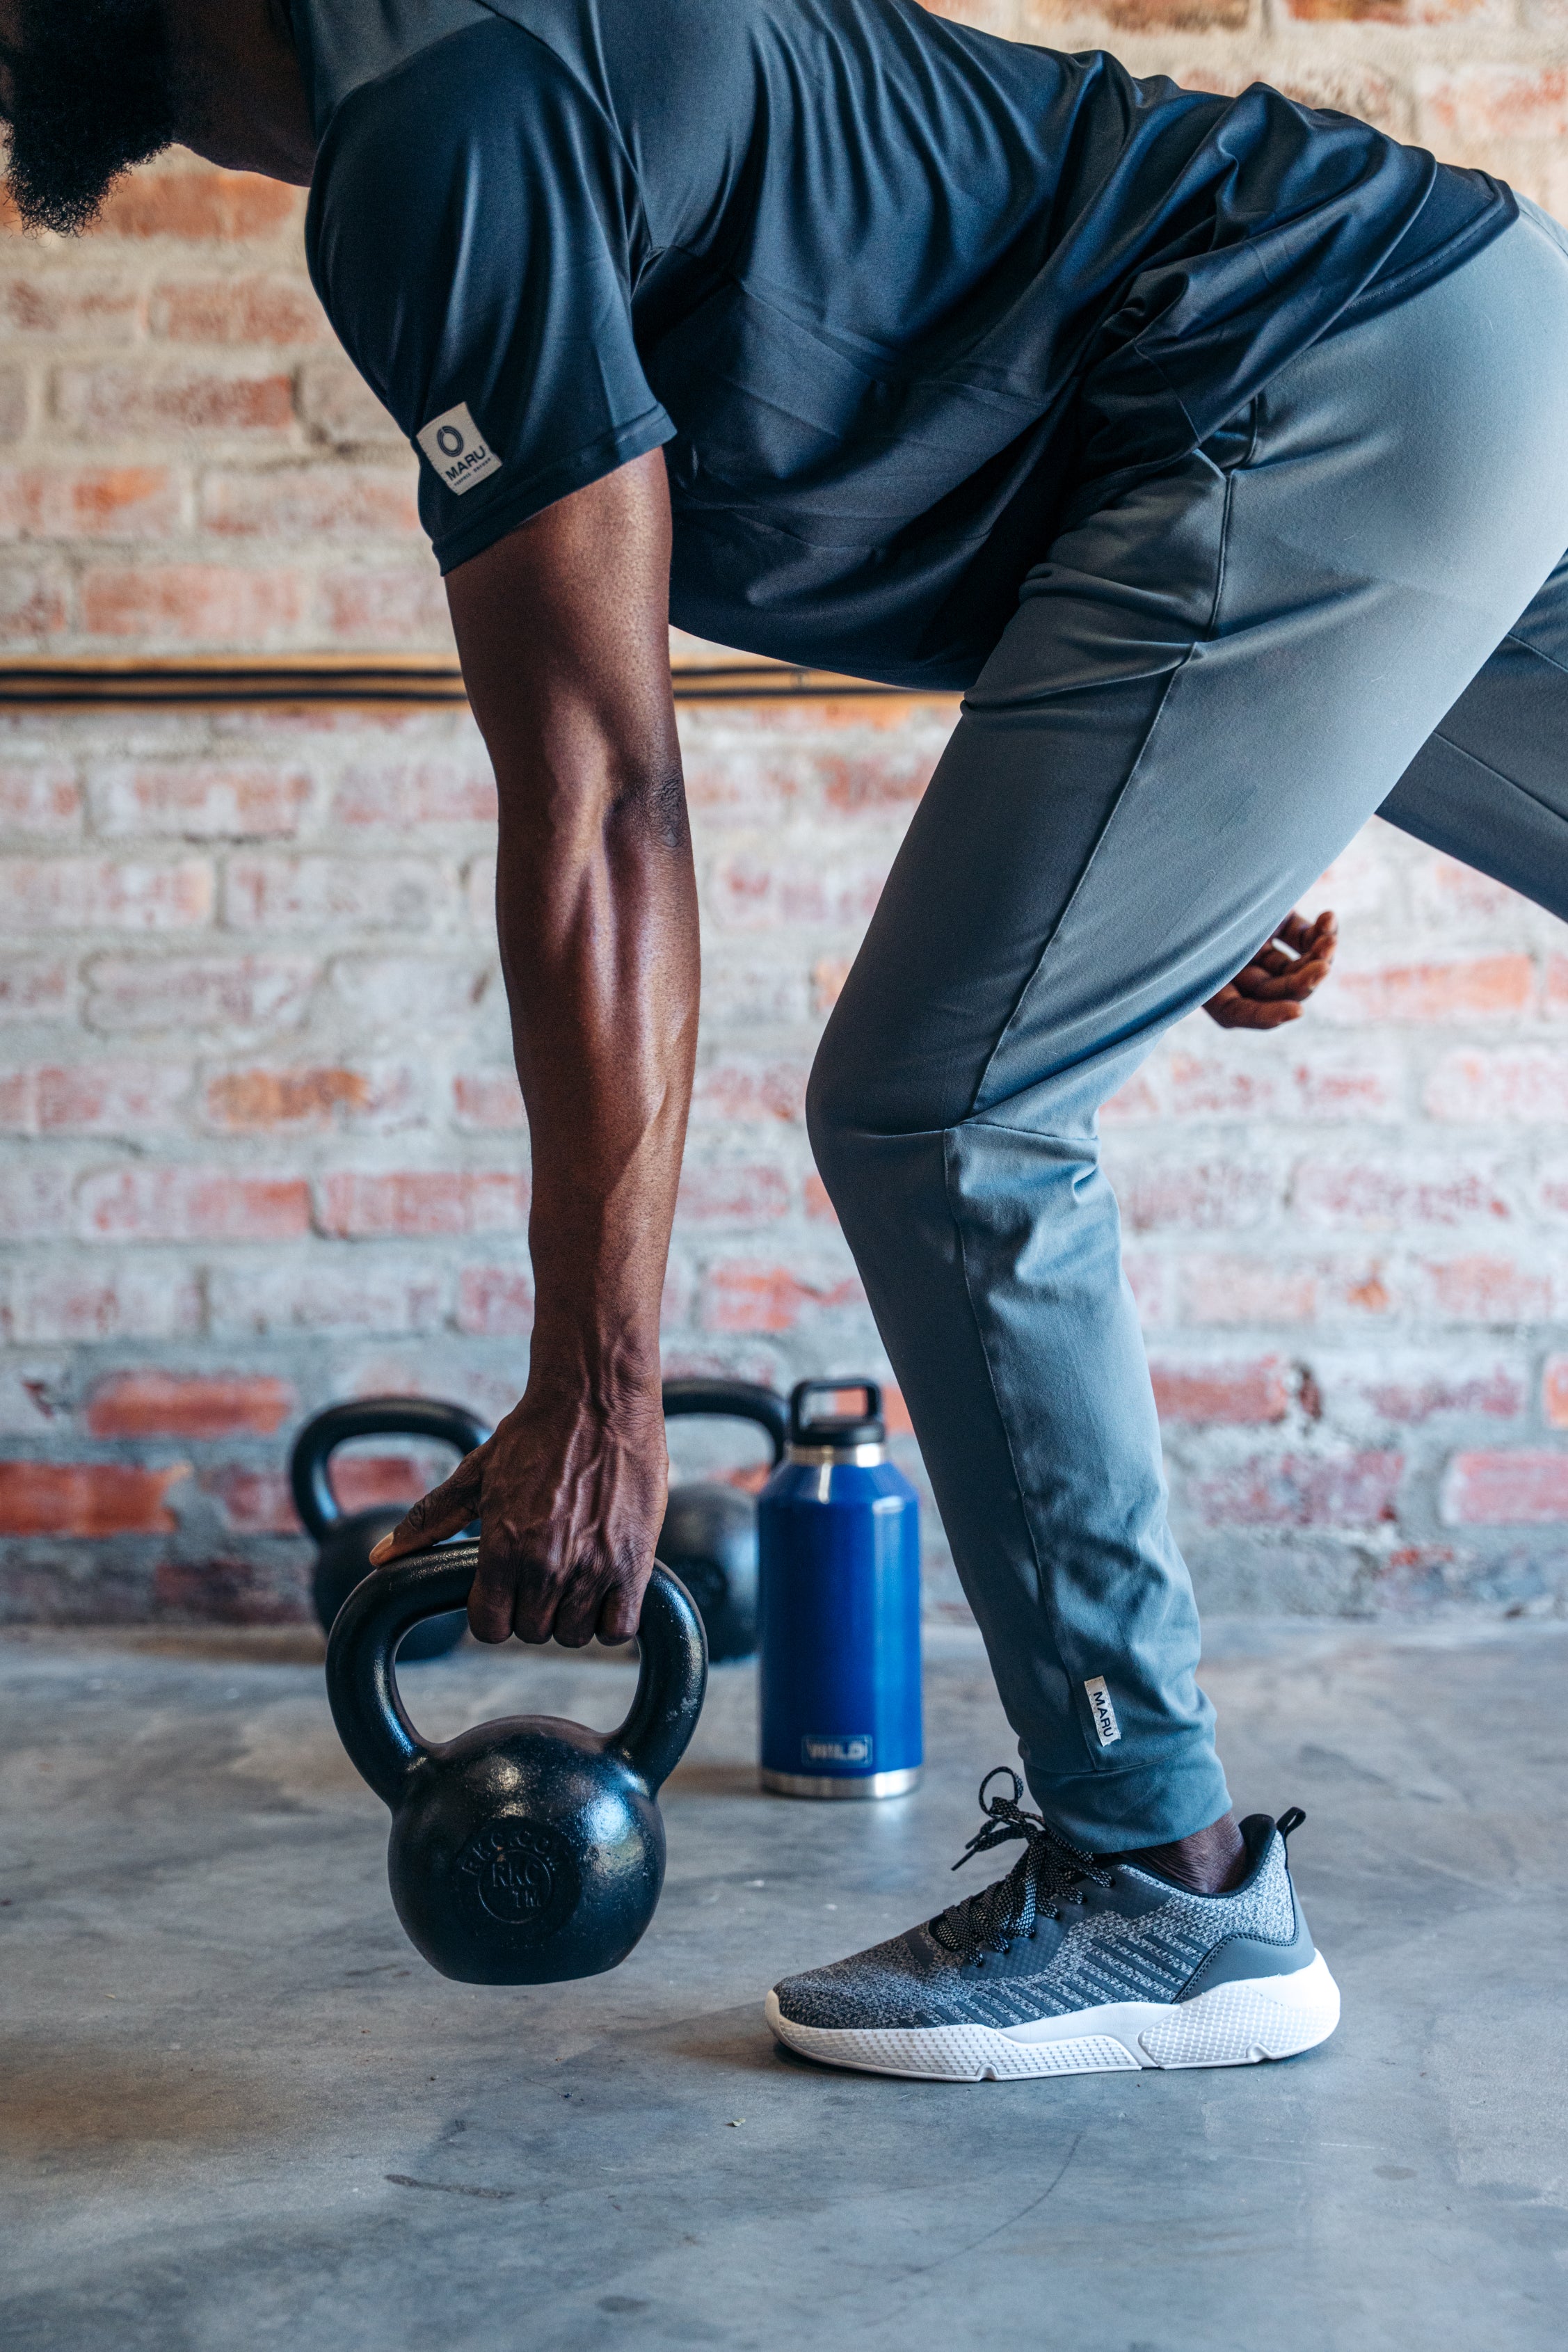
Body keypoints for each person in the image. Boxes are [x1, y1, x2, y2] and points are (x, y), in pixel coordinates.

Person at [7, 0, 1565, 2083]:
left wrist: (599, 1397)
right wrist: (1211, 799)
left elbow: (598, 805)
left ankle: (1158, 1889)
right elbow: (970, 365)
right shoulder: (487, 80)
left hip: (1311, 384)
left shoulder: (437, 132)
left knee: (942, 1111)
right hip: (1452, 322)